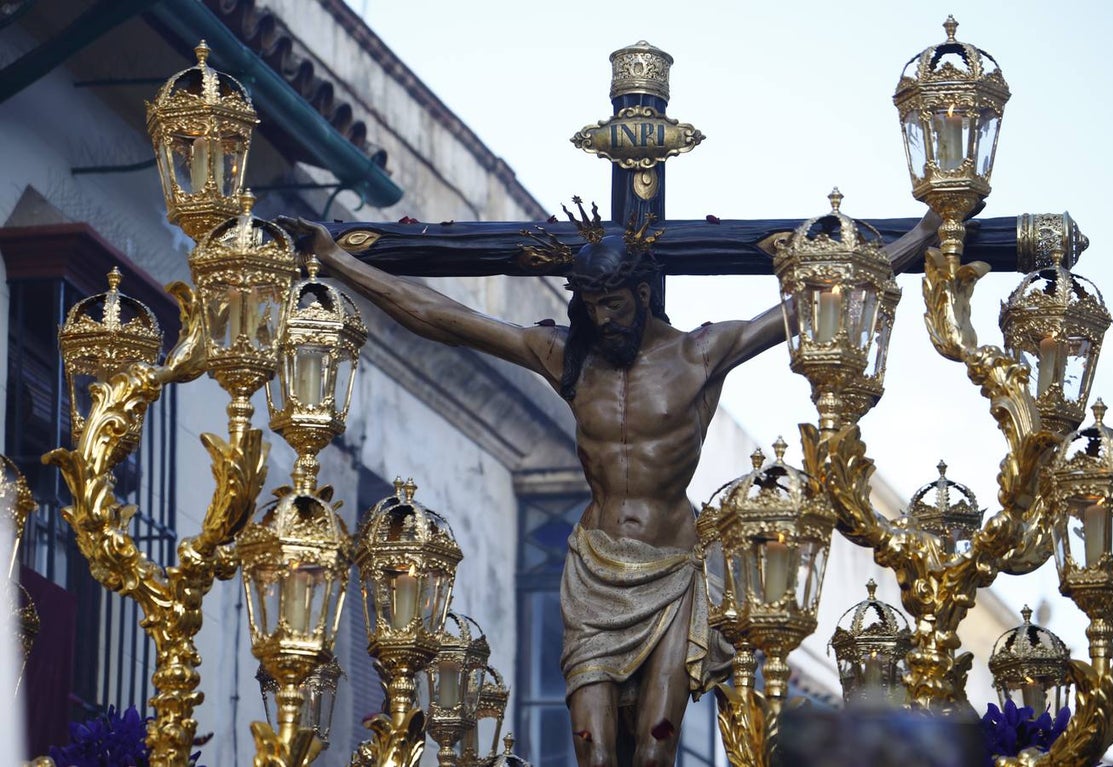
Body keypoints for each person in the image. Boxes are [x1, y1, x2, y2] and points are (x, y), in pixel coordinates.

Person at [282, 214, 938, 767]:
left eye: (615, 305)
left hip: (672, 572)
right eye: (592, 305)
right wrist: (336, 260)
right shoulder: (568, 357)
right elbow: (442, 316)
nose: (604, 318)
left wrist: (926, 232)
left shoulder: (701, 354)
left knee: (655, 748)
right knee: (592, 748)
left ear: (643, 294)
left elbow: (828, 289)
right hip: (595, 570)